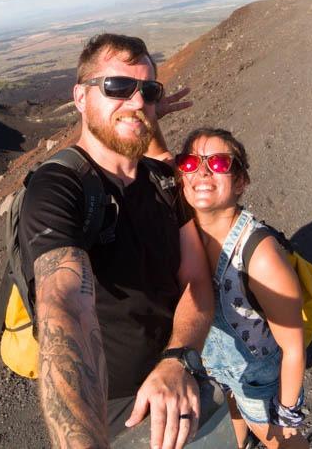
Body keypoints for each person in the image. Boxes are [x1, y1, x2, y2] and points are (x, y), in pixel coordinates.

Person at [18, 33, 214, 449]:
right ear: (80, 97)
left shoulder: (163, 181)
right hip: (113, 405)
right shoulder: (59, 188)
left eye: (148, 91)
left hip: (179, 367)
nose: (137, 101)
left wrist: (177, 357)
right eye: (117, 87)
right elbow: (63, 307)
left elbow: (197, 280)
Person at [177, 127, 310, 449]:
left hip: (257, 378)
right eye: (190, 162)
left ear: (240, 182)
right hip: (214, 368)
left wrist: (286, 414)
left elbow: (293, 347)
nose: (203, 171)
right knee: (229, 421)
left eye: (220, 163)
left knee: (282, 443)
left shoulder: (260, 256)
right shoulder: (183, 231)